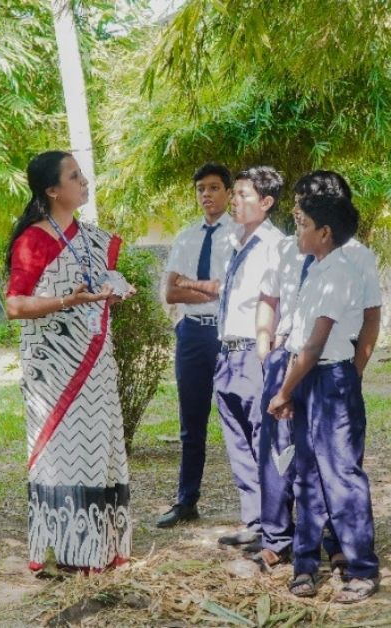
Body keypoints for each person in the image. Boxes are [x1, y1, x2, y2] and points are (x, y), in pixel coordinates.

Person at [3, 151, 134, 574]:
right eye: (74, 176)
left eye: (82, 173)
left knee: (100, 448)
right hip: (55, 372)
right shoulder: (34, 240)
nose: (84, 180)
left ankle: (103, 546)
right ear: (53, 190)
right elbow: (15, 305)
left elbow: (95, 292)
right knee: (64, 453)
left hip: (96, 365)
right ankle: (72, 550)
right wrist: (67, 301)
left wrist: (109, 293)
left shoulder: (91, 238)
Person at [252, 170, 381, 571]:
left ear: (325, 223)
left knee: (338, 466)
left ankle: (350, 552)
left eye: (302, 210)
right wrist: (270, 357)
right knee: (291, 459)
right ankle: (287, 544)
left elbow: (354, 325)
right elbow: (274, 304)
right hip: (291, 363)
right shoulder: (300, 254)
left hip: (325, 369)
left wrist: (351, 371)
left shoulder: (349, 261)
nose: (294, 216)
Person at [157, 162, 235, 528]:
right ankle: (187, 500)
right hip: (191, 333)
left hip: (228, 335)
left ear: (230, 193)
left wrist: (197, 285)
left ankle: (256, 505)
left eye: (215, 187)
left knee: (240, 417)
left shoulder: (240, 236)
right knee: (191, 420)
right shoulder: (186, 236)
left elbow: (231, 292)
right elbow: (171, 291)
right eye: (201, 188)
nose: (207, 194)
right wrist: (209, 288)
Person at [214, 165, 286, 547]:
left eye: (244, 195)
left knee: (265, 438)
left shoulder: (276, 246)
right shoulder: (237, 240)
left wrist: (268, 356)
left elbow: (275, 304)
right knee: (238, 440)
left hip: (254, 353)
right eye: (236, 194)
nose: (235, 201)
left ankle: (277, 525)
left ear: (267, 202)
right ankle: (255, 520)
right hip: (227, 352)